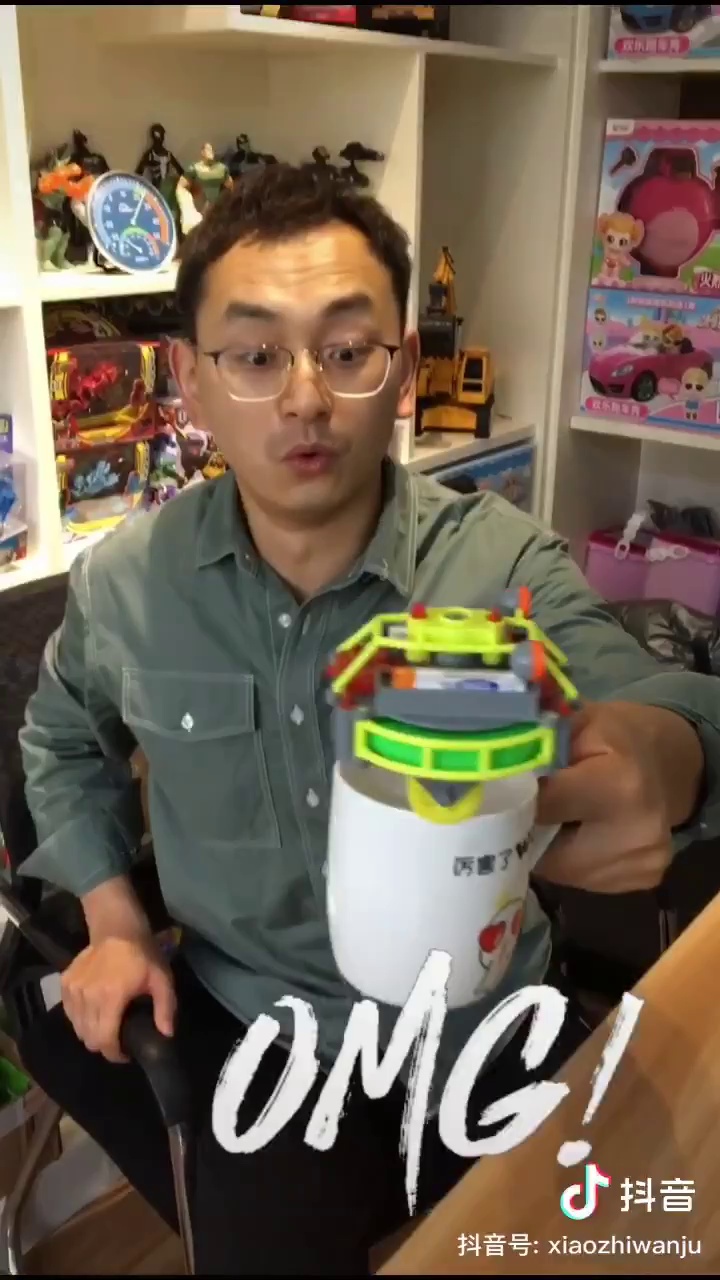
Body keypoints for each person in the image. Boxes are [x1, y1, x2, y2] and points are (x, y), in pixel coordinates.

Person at [18, 163, 719, 1275]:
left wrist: (671, 757)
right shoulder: (131, 585)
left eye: (347, 350)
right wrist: (112, 918)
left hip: (489, 1016)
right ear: (192, 382)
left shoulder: (496, 567)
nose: (305, 397)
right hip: (259, 1023)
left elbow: (664, 703)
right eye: (256, 356)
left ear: (401, 372)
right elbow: (61, 740)